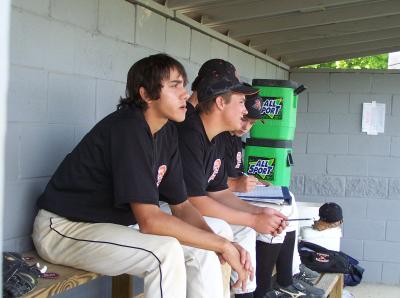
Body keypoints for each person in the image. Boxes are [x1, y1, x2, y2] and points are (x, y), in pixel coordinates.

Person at [32, 54, 252, 298]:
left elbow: (182, 206)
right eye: (174, 85)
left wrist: (217, 243)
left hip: (109, 225)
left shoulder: (166, 131)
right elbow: (150, 221)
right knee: (164, 253)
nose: (184, 93)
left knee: (201, 249)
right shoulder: (128, 128)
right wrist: (222, 245)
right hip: (65, 228)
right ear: (146, 94)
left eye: (183, 84)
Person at [177, 59, 288, 298]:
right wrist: (252, 218)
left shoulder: (215, 136)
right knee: (219, 233)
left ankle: (245, 292)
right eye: (240, 102)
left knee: (243, 230)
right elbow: (194, 201)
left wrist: (258, 214)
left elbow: (218, 192)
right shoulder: (189, 130)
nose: (245, 109)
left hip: (178, 209)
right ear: (219, 102)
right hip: (161, 209)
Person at [224, 90, 325, 298]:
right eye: (245, 119)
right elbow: (205, 182)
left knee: (288, 199)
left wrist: (251, 179)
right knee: (273, 212)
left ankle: (287, 276)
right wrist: (235, 183)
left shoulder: (234, 137)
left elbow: (231, 172)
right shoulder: (217, 133)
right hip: (219, 198)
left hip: (231, 193)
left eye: (251, 123)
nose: (246, 127)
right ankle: (263, 289)